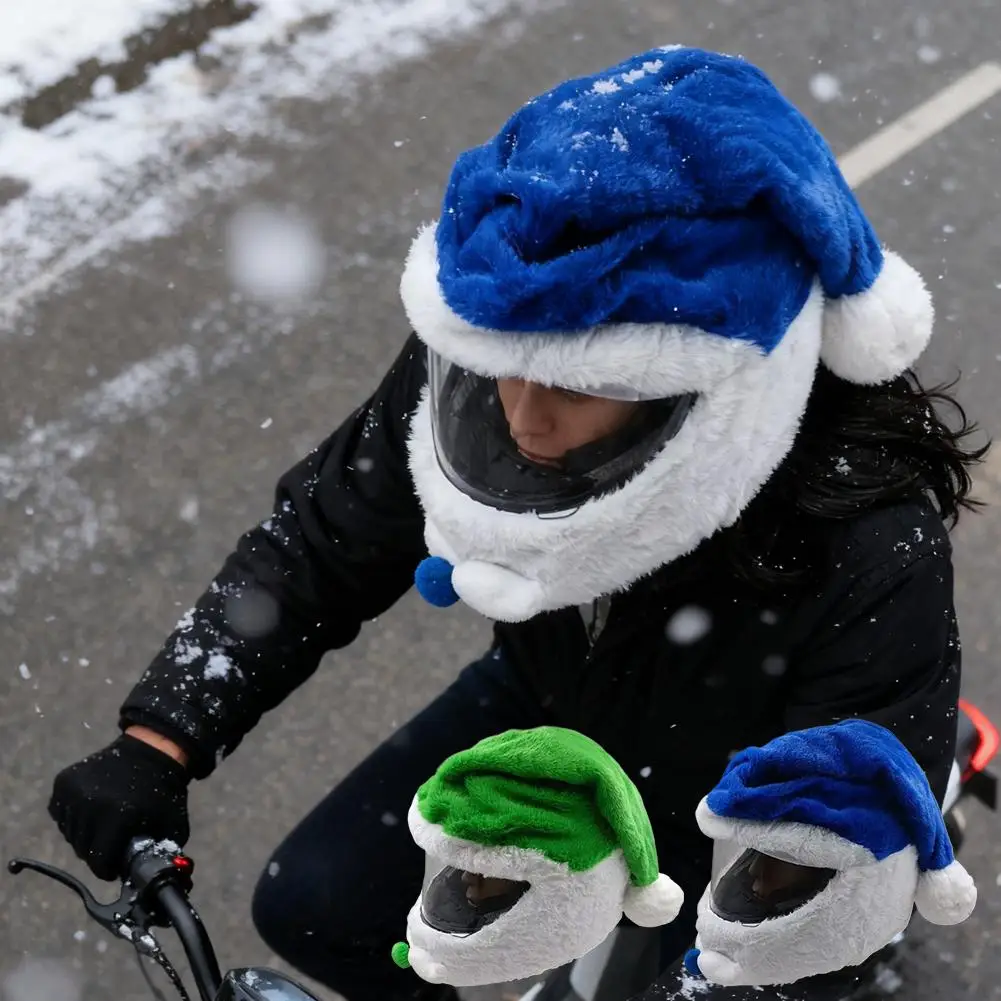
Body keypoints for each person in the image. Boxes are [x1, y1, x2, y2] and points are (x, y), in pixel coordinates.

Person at [49, 46, 988, 1001]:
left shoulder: (871, 539)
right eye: (506, 371)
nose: (523, 419)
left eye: (577, 387)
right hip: (551, 704)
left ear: (700, 382)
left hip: (751, 786)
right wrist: (161, 736)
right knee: (318, 906)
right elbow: (320, 544)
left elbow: (824, 896)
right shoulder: (494, 360)